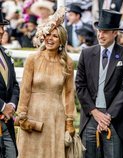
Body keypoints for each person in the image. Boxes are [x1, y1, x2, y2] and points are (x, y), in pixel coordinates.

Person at [16, 7, 76, 158]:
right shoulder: (33, 59)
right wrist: (22, 115)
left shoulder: (67, 62)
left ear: (61, 40)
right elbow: (25, 89)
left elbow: (69, 92)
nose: (50, 38)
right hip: (33, 115)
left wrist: (69, 120)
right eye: (48, 34)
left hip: (55, 116)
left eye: (55, 36)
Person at [75, 9, 123, 158]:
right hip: (90, 117)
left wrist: (108, 116)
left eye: (105, 31)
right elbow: (80, 85)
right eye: (99, 31)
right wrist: (94, 112)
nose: (100, 35)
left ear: (115, 33)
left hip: (114, 119)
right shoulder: (87, 53)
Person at [0, 9, 19, 158]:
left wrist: (11, 106)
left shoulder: (5, 53)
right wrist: (2, 107)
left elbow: (14, 86)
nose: (2, 31)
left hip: (7, 122)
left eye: (3, 27)